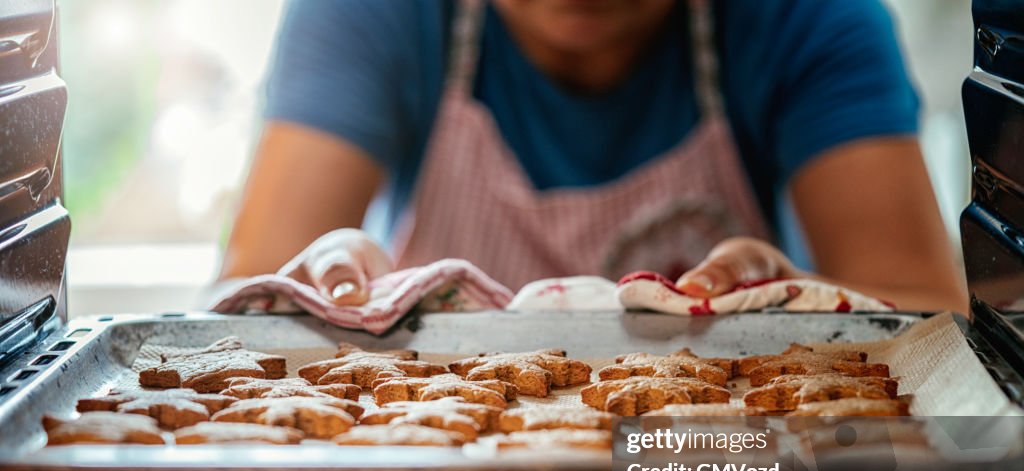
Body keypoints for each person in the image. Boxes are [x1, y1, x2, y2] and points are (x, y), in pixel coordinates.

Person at [220, 0, 967, 312]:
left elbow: (928, 327)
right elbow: (245, 313)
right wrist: (320, 297)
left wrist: (802, 317)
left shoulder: (806, 17)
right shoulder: (370, 15)